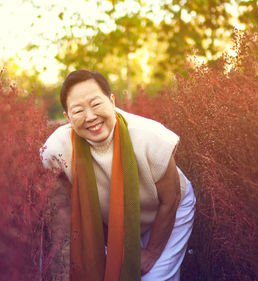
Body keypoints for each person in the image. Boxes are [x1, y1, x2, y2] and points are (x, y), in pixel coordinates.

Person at [41, 70, 195, 281]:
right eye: (78, 111)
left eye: (96, 104)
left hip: (169, 211)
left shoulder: (150, 137)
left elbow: (171, 199)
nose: (90, 117)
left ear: (112, 100)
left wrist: (151, 253)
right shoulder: (57, 150)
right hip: (115, 225)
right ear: (67, 117)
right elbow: (75, 207)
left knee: (155, 278)